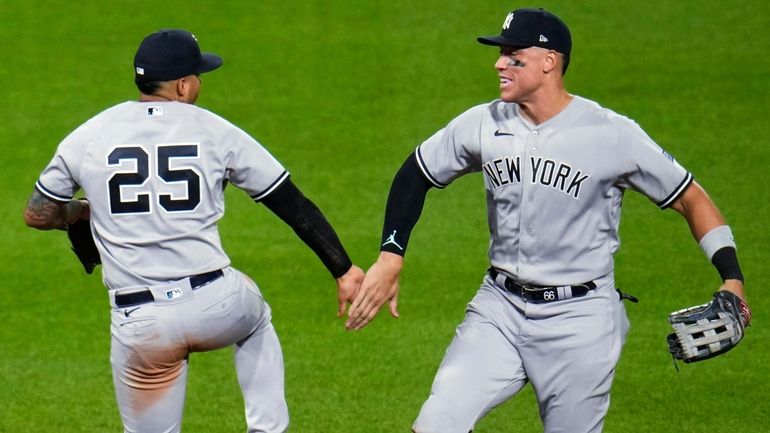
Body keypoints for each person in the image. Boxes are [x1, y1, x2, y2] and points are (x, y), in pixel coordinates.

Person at [345, 7, 748, 433]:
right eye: (500, 54)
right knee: (435, 424)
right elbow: (416, 172)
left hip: (581, 321)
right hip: (498, 309)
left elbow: (691, 198)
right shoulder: (484, 123)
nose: (499, 63)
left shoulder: (611, 134)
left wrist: (732, 277)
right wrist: (391, 255)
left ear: (548, 61)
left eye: (512, 55)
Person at [24, 28, 363, 433]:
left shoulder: (89, 135)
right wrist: (342, 269)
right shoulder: (214, 130)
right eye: (199, 75)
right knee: (256, 318)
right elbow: (290, 203)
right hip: (217, 305)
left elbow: (38, 214)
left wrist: (80, 212)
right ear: (183, 86)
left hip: (141, 325)